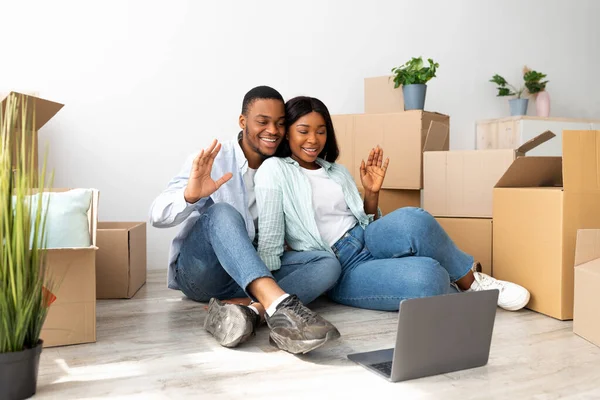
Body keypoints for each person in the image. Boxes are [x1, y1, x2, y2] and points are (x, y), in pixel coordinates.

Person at [254, 95, 531, 312]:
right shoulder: (275, 170)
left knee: (415, 219)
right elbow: (269, 239)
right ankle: (444, 279)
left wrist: (372, 194)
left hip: (367, 237)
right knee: (429, 277)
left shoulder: (336, 171)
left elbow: (370, 221)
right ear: (287, 132)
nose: (313, 139)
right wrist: (263, 292)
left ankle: (473, 283)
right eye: (303, 131)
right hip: (342, 266)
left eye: (321, 131)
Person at [149, 87, 342, 355]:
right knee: (223, 212)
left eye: (280, 123)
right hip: (204, 275)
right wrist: (190, 195)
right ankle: (280, 306)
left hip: (251, 272)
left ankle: (251, 311)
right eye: (263, 122)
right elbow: (157, 215)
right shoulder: (212, 159)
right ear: (243, 122)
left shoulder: (285, 166)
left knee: (327, 262)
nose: (272, 130)